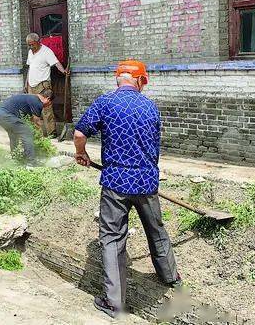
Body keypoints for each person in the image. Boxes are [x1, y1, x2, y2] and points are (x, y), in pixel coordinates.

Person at [73, 59, 181, 318]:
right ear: (141, 80)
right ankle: (171, 277)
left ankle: (114, 303)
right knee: (156, 229)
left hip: (116, 182)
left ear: (117, 80)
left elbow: (79, 134)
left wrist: (82, 154)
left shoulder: (105, 103)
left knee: (112, 238)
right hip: (146, 182)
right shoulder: (151, 107)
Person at [25, 32, 68, 137]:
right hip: (31, 85)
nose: (30, 47)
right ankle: (37, 134)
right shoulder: (30, 52)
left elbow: (56, 62)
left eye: (32, 44)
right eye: (29, 45)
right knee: (33, 110)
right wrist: (26, 83)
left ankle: (51, 133)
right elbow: (30, 68)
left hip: (43, 85)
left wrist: (64, 71)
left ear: (38, 42)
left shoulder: (46, 51)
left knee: (46, 109)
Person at [0, 90, 53, 163]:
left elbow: (31, 120)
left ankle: (15, 157)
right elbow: (37, 123)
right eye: (50, 103)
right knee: (27, 132)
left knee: (14, 134)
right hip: (6, 115)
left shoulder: (31, 98)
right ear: (48, 99)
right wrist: (42, 138)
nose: (49, 106)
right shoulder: (38, 102)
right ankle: (31, 161)